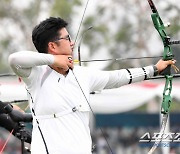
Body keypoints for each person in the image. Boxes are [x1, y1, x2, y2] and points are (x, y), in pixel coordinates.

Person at [8, 17, 175, 154]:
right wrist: (54, 60)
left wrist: (154, 69)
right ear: (52, 46)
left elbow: (118, 77)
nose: (72, 42)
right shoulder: (36, 75)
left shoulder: (83, 75)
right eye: (67, 38)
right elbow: (14, 59)